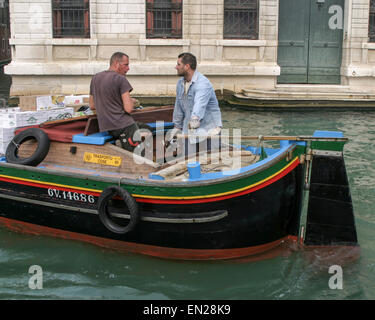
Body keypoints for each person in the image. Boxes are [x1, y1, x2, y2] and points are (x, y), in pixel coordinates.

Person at [169, 52, 222, 156]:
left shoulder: (203, 83)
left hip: (209, 129)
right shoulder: (180, 83)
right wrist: (177, 128)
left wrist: (193, 122)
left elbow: (199, 106)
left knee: (211, 163)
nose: (176, 67)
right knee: (188, 161)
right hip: (190, 129)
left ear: (187, 66)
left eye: (178, 64)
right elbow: (178, 108)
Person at [89, 52, 140, 152]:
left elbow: (92, 105)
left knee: (145, 127)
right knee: (139, 158)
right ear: (116, 64)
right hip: (125, 126)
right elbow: (128, 109)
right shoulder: (121, 79)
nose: (128, 68)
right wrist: (133, 101)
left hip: (107, 127)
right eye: (126, 65)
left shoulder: (95, 78)